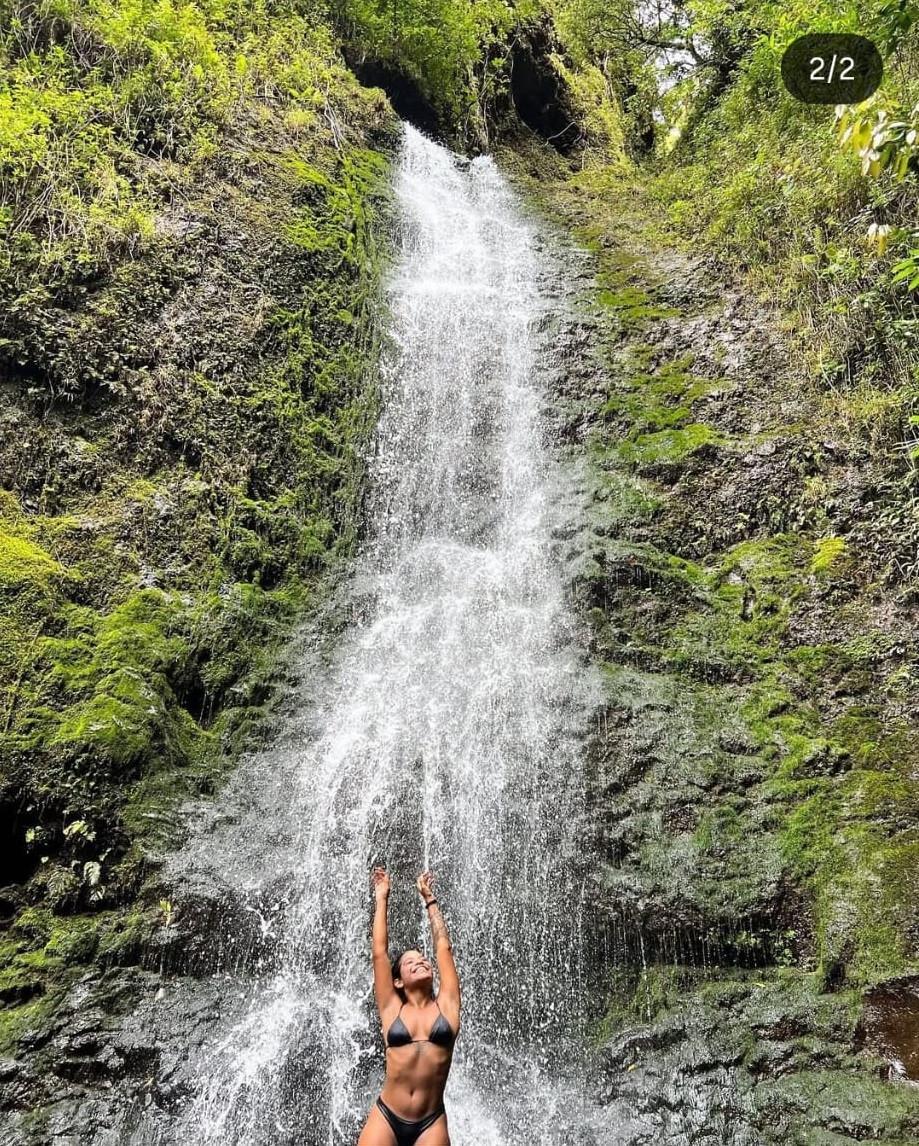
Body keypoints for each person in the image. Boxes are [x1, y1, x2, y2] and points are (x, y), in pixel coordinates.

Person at [357, 866, 461, 1146]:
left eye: (422, 959)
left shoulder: (447, 1006)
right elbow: (379, 951)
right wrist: (381, 897)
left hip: (431, 1122)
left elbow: (443, 949)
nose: (421, 962)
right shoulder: (392, 1008)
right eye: (410, 962)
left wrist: (430, 901)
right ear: (398, 981)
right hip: (387, 1116)